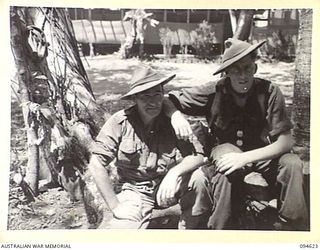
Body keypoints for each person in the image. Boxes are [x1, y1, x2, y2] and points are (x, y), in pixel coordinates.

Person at [164, 38, 309, 230]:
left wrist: (245, 158)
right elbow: (167, 100)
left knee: (292, 163)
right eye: (235, 70)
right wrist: (176, 116)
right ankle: (221, 228)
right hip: (224, 151)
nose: (243, 76)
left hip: (261, 153)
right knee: (227, 158)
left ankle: (293, 227)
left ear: (255, 68)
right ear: (226, 72)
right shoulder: (213, 91)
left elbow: (285, 142)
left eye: (247, 68)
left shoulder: (269, 92)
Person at [88, 65, 211, 229]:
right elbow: (96, 164)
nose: (153, 102)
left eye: (157, 95)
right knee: (121, 232)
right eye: (145, 97)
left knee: (198, 179)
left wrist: (174, 172)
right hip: (135, 190)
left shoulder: (173, 122)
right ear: (135, 99)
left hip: (170, 186)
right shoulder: (120, 122)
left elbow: (198, 155)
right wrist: (115, 206)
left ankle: (188, 233)